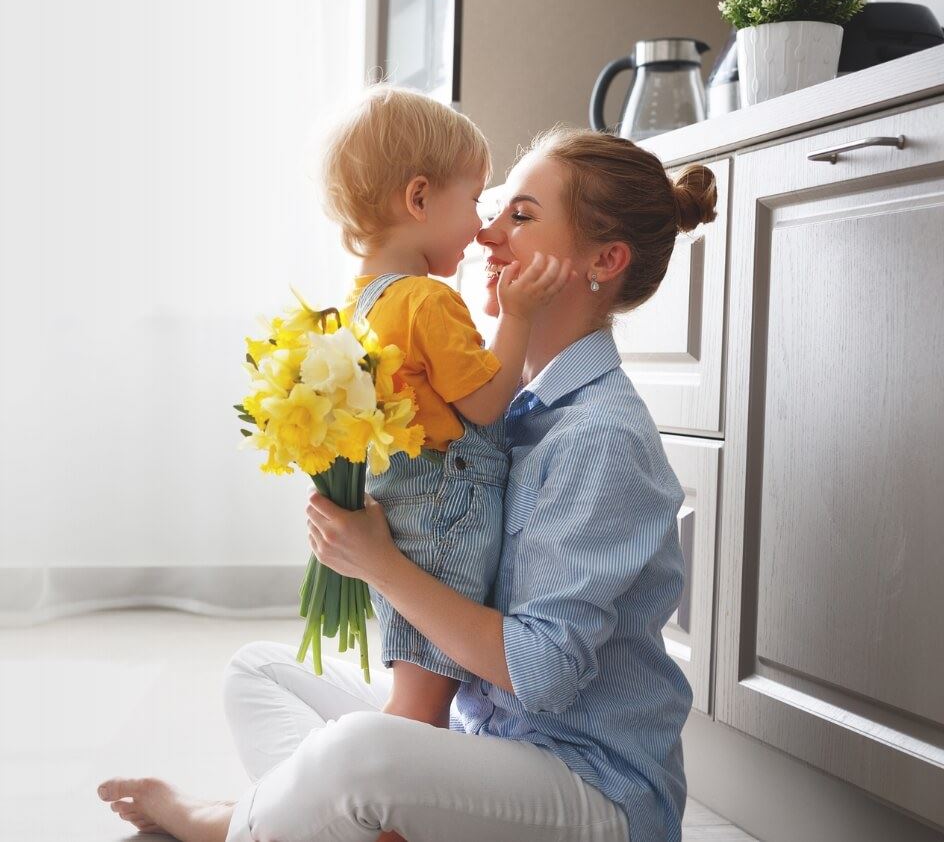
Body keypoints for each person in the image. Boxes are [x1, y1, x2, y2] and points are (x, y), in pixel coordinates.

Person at [97, 125, 718, 842]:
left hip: (588, 787)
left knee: (358, 756)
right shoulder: (505, 404)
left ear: (603, 261)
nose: (486, 234)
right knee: (259, 671)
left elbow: (541, 673)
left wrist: (380, 565)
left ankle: (218, 823)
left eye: (519, 216)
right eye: (492, 211)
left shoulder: (600, 436)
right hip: (484, 738)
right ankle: (328, 823)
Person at [326, 85, 570, 731]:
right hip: (445, 513)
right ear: (419, 197)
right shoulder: (426, 300)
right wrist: (518, 316)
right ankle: (387, 814)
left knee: (415, 695)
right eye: (475, 200)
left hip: (408, 506)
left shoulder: (362, 302)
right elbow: (487, 405)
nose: (482, 224)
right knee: (420, 710)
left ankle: (371, 796)